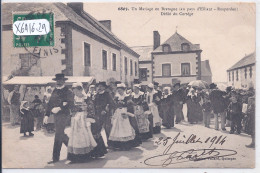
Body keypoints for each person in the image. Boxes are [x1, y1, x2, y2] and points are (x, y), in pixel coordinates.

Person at [43, 74, 74, 164]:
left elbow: (70, 103)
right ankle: (73, 148)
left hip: (64, 115)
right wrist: (47, 115)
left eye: (60, 80)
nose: (58, 82)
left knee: (58, 134)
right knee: (60, 134)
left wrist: (60, 108)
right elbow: (50, 103)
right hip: (56, 115)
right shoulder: (55, 90)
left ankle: (55, 158)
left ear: (64, 81)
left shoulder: (68, 91)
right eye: (57, 80)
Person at [67, 83, 97, 163]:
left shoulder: (86, 98)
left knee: (84, 135)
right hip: (76, 118)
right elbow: (71, 108)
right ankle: (75, 155)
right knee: (75, 136)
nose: (76, 93)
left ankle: (85, 155)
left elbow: (91, 108)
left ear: (81, 90)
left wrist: (89, 118)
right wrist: (73, 112)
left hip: (84, 118)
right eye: (74, 92)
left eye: (77, 91)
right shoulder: (74, 98)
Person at [108, 83, 139, 150]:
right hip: (118, 113)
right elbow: (113, 106)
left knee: (126, 128)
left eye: (120, 90)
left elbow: (130, 106)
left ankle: (126, 145)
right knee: (117, 128)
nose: (119, 92)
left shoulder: (127, 97)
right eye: (118, 90)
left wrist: (127, 113)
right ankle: (118, 145)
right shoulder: (116, 97)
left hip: (125, 112)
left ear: (123, 90)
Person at [91, 81, 115, 157]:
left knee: (107, 128)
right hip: (98, 115)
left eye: (101, 86)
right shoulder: (96, 95)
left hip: (106, 114)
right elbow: (93, 105)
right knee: (97, 130)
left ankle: (110, 144)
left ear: (104, 87)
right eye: (98, 87)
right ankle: (100, 147)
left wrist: (106, 110)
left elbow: (112, 104)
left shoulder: (107, 94)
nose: (99, 88)